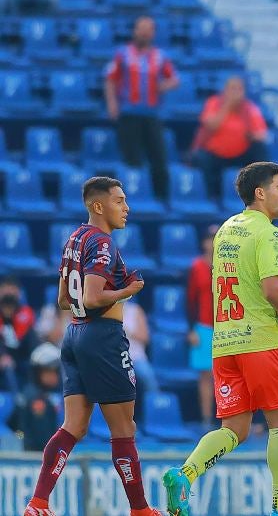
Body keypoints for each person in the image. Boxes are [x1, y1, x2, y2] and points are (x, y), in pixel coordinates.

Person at [163, 162, 278, 516]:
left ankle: (184, 475)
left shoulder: (225, 230)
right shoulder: (268, 233)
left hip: (225, 343)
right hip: (263, 343)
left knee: (234, 429)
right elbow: (272, 289)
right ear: (260, 192)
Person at [24, 176, 159, 516]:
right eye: (119, 200)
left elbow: (62, 299)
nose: (126, 207)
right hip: (102, 338)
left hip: (75, 334)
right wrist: (128, 291)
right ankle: (140, 509)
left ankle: (38, 502)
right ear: (99, 206)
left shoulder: (74, 238)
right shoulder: (102, 243)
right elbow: (92, 296)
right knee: (124, 428)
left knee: (74, 426)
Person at [104, 16, 179, 201]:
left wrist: (164, 85)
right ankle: (132, 198)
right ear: (134, 31)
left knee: (159, 158)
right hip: (129, 114)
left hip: (152, 114)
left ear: (153, 33)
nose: (144, 33)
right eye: (141, 28)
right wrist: (112, 104)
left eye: (148, 29)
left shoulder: (160, 56)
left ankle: (161, 197)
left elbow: (175, 79)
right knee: (132, 160)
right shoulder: (123, 54)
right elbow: (110, 79)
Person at [191, 76, 270, 199]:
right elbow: (210, 126)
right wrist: (227, 107)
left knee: (260, 150)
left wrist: (250, 133)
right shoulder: (214, 103)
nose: (235, 93)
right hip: (216, 153)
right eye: (232, 89)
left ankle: (260, 196)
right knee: (203, 158)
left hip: (241, 153)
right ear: (225, 90)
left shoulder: (249, 108)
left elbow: (262, 135)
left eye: (238, 89)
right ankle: (212, 199)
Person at [186, 225, 218, 427]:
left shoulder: (230, 265)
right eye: (211, 238)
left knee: (227, 376)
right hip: (204, 327)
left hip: (227, 327)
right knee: (205, 377)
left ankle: (225, 418)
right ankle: (207, 420)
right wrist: (191, 329)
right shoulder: (197, 266)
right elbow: (190, 300)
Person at [6, 343, 62, 453]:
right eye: (48, 371)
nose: (53, 376)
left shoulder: (36, 394)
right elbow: (43, 439)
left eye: (55, 371)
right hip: (37, 459)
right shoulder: (36, 399)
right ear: (37, 372)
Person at [0, 277, 38, 393]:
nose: (9, 293)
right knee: (7, 365)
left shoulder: (26, 312)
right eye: (6, 289)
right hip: (3, 358)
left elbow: (30, 341)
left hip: (22, 358)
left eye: (13, 289)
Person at [122, 301, 158, 395]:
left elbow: (145, 337)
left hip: (136, 357)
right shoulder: (106, 312)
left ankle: (155, 405)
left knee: (147, 376)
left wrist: (128, 332)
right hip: (114, 357)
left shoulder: (135, 310)